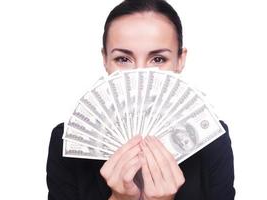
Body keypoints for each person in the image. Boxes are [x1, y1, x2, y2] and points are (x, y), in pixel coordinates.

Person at [46, 0, 236, 199]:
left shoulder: (212, 140)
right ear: (105, 60)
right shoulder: (66, 144)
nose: (141, 76)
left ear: (180, 60)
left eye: (158, 59)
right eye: (123, 59)